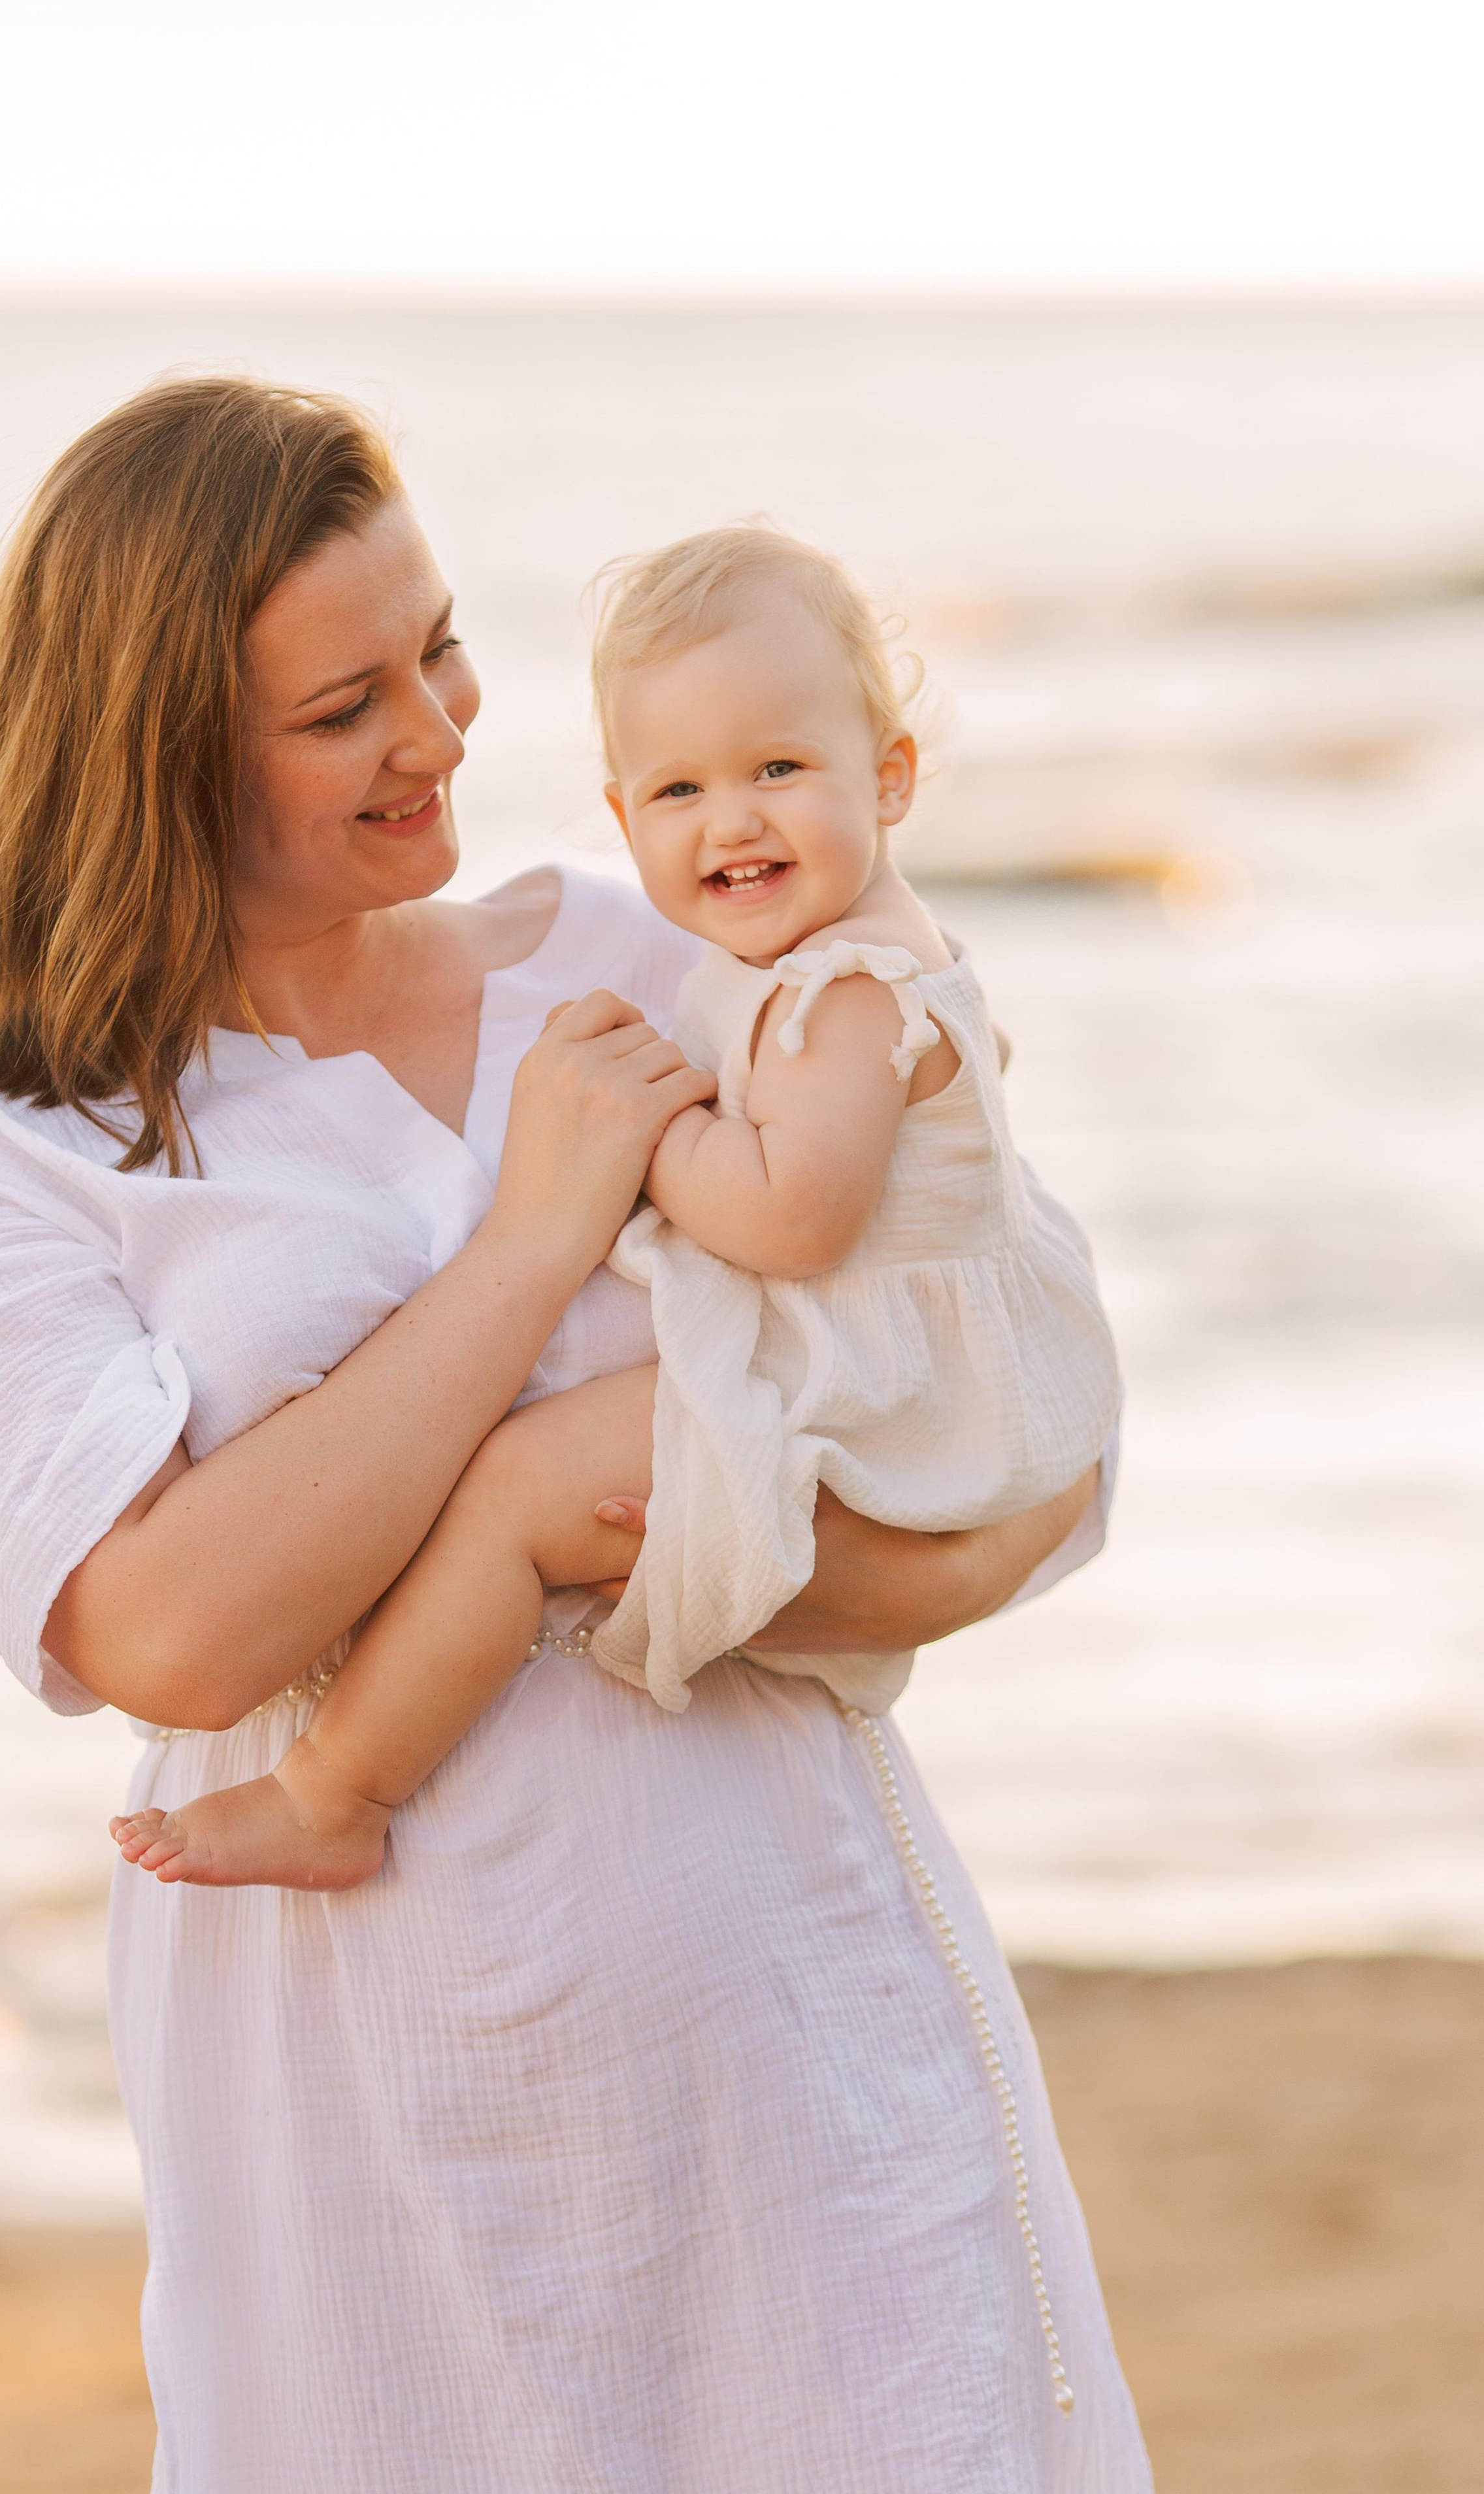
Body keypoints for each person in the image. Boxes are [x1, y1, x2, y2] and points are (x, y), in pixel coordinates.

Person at [0, 376, 1157, 2494]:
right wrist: (541, 1245)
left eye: (440, 645)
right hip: (391, 2136)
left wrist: (648, 1535)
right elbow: (175, 1621)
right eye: (348, 703)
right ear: (159, 754)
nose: (440, 728)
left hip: (811, 2062)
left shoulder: (648, 956)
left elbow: (1014, 1415)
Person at [112, 523, 1118, 1916]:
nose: (730, 822)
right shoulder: (807, 958)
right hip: (880, 1351)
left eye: (778, 769)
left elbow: (796, 1220)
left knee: (520, 1493)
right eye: (676, 790)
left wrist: (645, 1144)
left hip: (877, 1366)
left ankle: (333, 1794)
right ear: (617, 808)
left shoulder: (846, 993)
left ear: (884, 775)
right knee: (537, 1491)